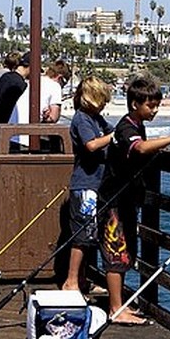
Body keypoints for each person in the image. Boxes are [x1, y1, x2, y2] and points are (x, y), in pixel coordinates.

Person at [97, 75, 170, 325]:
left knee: (126, 252)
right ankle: (115, 309)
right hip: (114, 201)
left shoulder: (135, 124)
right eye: (150, 105)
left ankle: (118, 306)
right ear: (135, 104)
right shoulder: (127, 127)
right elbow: (140, 148)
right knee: (116, 254)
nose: (154, 110)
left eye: (156, 105)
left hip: (125, 200)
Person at [62, 76, 114, 295]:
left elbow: (113, 131)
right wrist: (114, 138)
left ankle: (81, 279)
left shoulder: (97, 119)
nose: (104, 104)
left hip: (96, 184)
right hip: (85, 186)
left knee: (90, 234)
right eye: (102, 99)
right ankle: (71, 281)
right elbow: (91, 145)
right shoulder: (82, 119)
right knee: (83, 234)